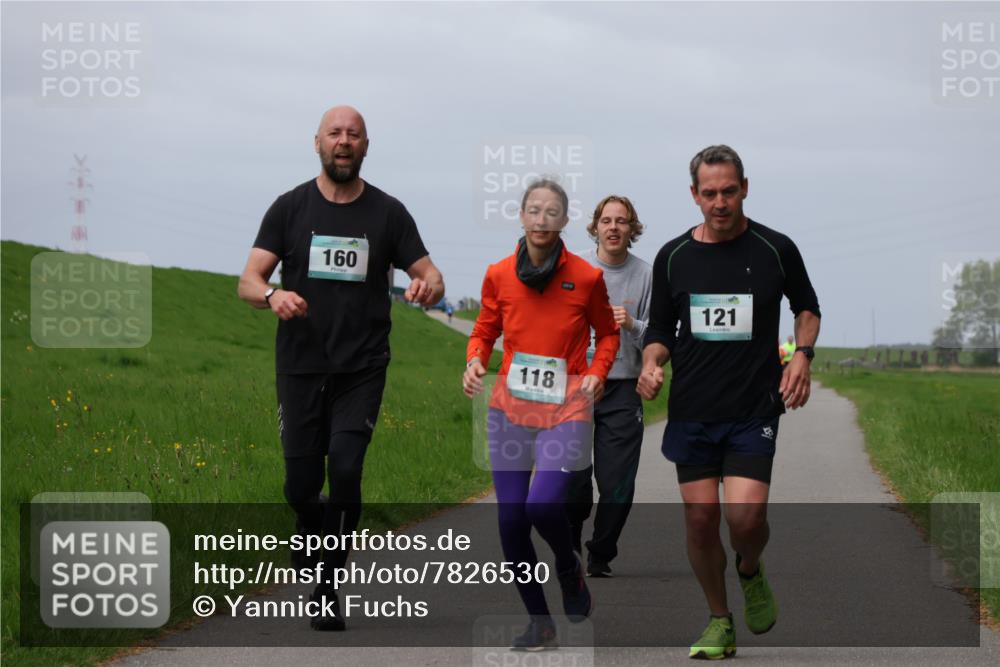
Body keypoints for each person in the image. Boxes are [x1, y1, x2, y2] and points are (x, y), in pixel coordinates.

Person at [238, 105, 444, 632]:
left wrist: (426, 286)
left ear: (366, 146)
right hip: (301, 366)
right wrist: (273, 295)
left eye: (354, 134)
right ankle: (310, 523)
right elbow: (248, 281)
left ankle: (327, 586)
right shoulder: (289, 208)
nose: (344, 141)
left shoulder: (389, 213)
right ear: (318, 143)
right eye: (335, 133)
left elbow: (430, 273)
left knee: (347, 469)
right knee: (299, 486)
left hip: (362, 366)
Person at [637, 145, 820, 660]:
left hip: (752, 409)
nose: (720, 202)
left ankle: (749, 568)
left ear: (745, 188)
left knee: (745, 521)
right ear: (694, 195)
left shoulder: (775, 249)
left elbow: (807, 308)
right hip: (692, 411)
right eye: (710, 193)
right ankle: (720, 619)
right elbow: (659, 329)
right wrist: (652, 363)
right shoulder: (673, 256)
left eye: (729, 191)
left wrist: (802, 355)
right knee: (700, 521)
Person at [463, 178, 619, 651]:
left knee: (542, 505)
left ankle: (568, 566)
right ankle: (540, 621)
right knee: (511, 522)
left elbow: (608, 334)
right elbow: (484, 329)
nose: (542, 219)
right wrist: (474, 360)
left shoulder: (586, 278)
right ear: (522, 215)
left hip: (566, 409)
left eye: (552, 211)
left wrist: (597, 373)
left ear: (564, 220)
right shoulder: (498, 274)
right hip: (509, 411)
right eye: (534, 209)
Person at [567, 195, 652, 578]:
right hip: (577, 386)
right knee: (574, 483)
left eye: (622, 221)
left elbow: (659, 336)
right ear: (596, 227)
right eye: (607, 220)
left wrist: (630, 323)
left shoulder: (646, 275)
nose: (614, 227)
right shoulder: (574, 267)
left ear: (632, 229)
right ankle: (569, 546)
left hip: (623, 387)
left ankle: (600, 553)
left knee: (618, 485)